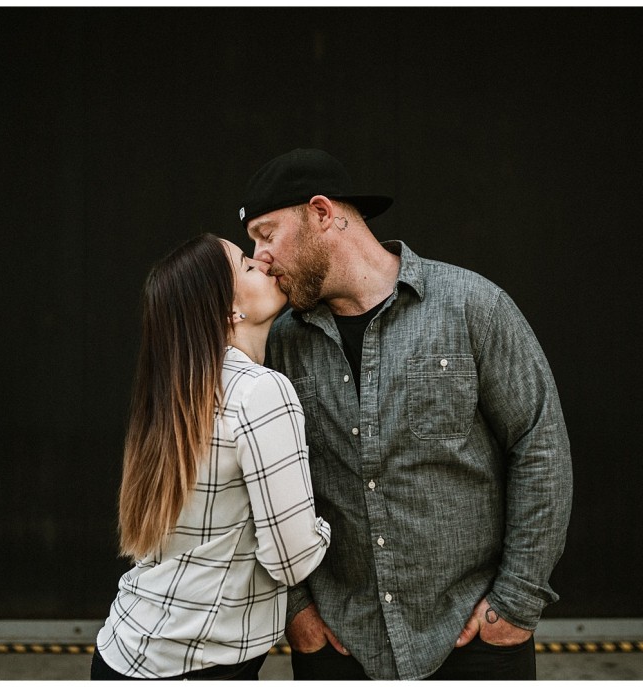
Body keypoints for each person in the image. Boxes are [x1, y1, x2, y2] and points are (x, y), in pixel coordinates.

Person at [237, 149, 573, 680]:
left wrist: (514, 605)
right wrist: (298, 613)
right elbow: (253, 485)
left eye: (266, 234)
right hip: (339, 647)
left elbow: (540, 447)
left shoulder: (472, 306)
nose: (259, 258)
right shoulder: (278, 342)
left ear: (321, 213)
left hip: (474, 638)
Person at [92, 233, 332, 680]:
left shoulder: (179, 392)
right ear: (229, 311)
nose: (263, 262)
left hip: (125, 651)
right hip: (196, 666)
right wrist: (324, 526)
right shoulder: (262, 392)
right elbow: (291, 558)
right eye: (247, 266)